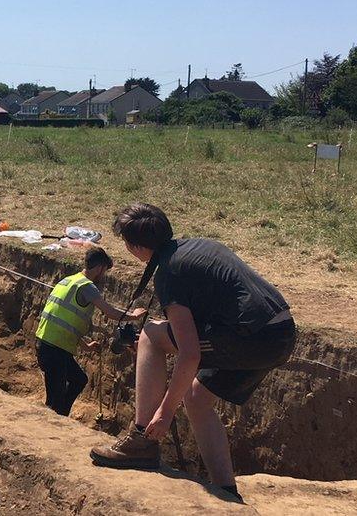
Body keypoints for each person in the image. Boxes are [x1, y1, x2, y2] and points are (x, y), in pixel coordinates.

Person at [90, 203, 295, 502]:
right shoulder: (198, 247)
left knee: (150, 335)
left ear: (133, 246)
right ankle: (226, 490)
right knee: (197, 398)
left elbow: (189, 354)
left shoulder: (169, 273)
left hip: (252, 337)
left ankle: (140, 439)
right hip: (281, 332)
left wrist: (164, 413)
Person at [35, 247, 146, 417]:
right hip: (54, 349)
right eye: (105, 271)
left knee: (79, 380)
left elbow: (64, 321)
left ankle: (61, 415)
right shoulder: (87, 287)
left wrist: (85, 346)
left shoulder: (69, 281)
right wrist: (134, 316)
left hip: (49, 344)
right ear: (100, 268)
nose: (104, 276)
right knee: (54, 399)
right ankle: (53, 425)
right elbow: (109, 312)